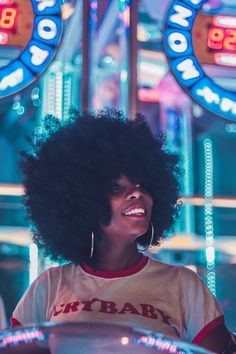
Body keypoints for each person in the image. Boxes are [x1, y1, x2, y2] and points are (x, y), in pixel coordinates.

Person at [11, 108, 234, 352]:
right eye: (116, 188)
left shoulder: (182, 283)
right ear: (84, 202)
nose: (137, 193)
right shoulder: (50, 285)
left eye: (142, 185)